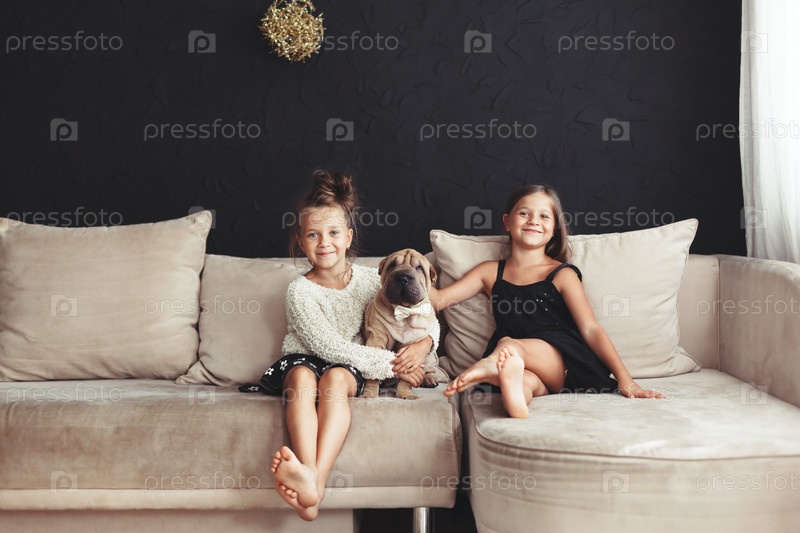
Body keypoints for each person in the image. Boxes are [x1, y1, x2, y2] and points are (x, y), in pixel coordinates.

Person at [264, 169, 433, 521]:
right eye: (313, 234)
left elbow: (423, 313)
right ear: (300, 241)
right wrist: (394, 364)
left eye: (333, 233)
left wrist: (426, 344)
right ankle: (310, 478)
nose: (324, 242)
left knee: (336, 379)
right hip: (304, 359)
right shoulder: (300, 291)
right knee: (303, 379)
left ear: (348, 237)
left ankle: (313, 482)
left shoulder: (374, 280)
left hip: (347, 368)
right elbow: (329, 347)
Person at [433, 184, 663, 419]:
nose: (533, 220)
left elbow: (591, 328)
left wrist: (625, 379)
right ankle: (516, 399)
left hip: (559, 361)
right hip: (525, 366)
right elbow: (439, 300)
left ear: (554, 229)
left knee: (509, 346)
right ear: (507, 222)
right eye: (524, 213)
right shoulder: (490, 272)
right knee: (523, 379)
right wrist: (413, 269)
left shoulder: (562, 274)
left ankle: (492, 364)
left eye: (544, 216)